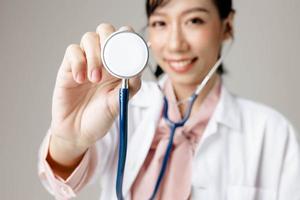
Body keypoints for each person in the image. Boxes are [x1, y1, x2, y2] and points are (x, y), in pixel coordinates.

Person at [38, 0, 300, 199]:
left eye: (194, 20)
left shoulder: (270, 131)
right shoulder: (119, 107)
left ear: (227, 26)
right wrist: (68, 139)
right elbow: (59, 180)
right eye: (160, 23)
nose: (175, 44)